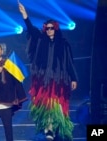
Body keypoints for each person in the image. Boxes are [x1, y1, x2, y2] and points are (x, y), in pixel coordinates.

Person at [18, 1, 78, 141]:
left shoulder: (63, 44)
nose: (49, 30)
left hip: (59, 79)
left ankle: (56, 128)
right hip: (43, 79)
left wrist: (74, 78)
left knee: (57, 105)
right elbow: (32, 30)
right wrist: (25, 16)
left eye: (52, 28)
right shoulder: (40, 40)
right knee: (46, 104)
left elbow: (69, 62)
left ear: (56, 29)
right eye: (47, 28)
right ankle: (48, 129)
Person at [0, 44, 28, 141]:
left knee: (8, 130)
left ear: (1, 51)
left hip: (5, 104)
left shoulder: (9, 64)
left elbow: (16, 81)